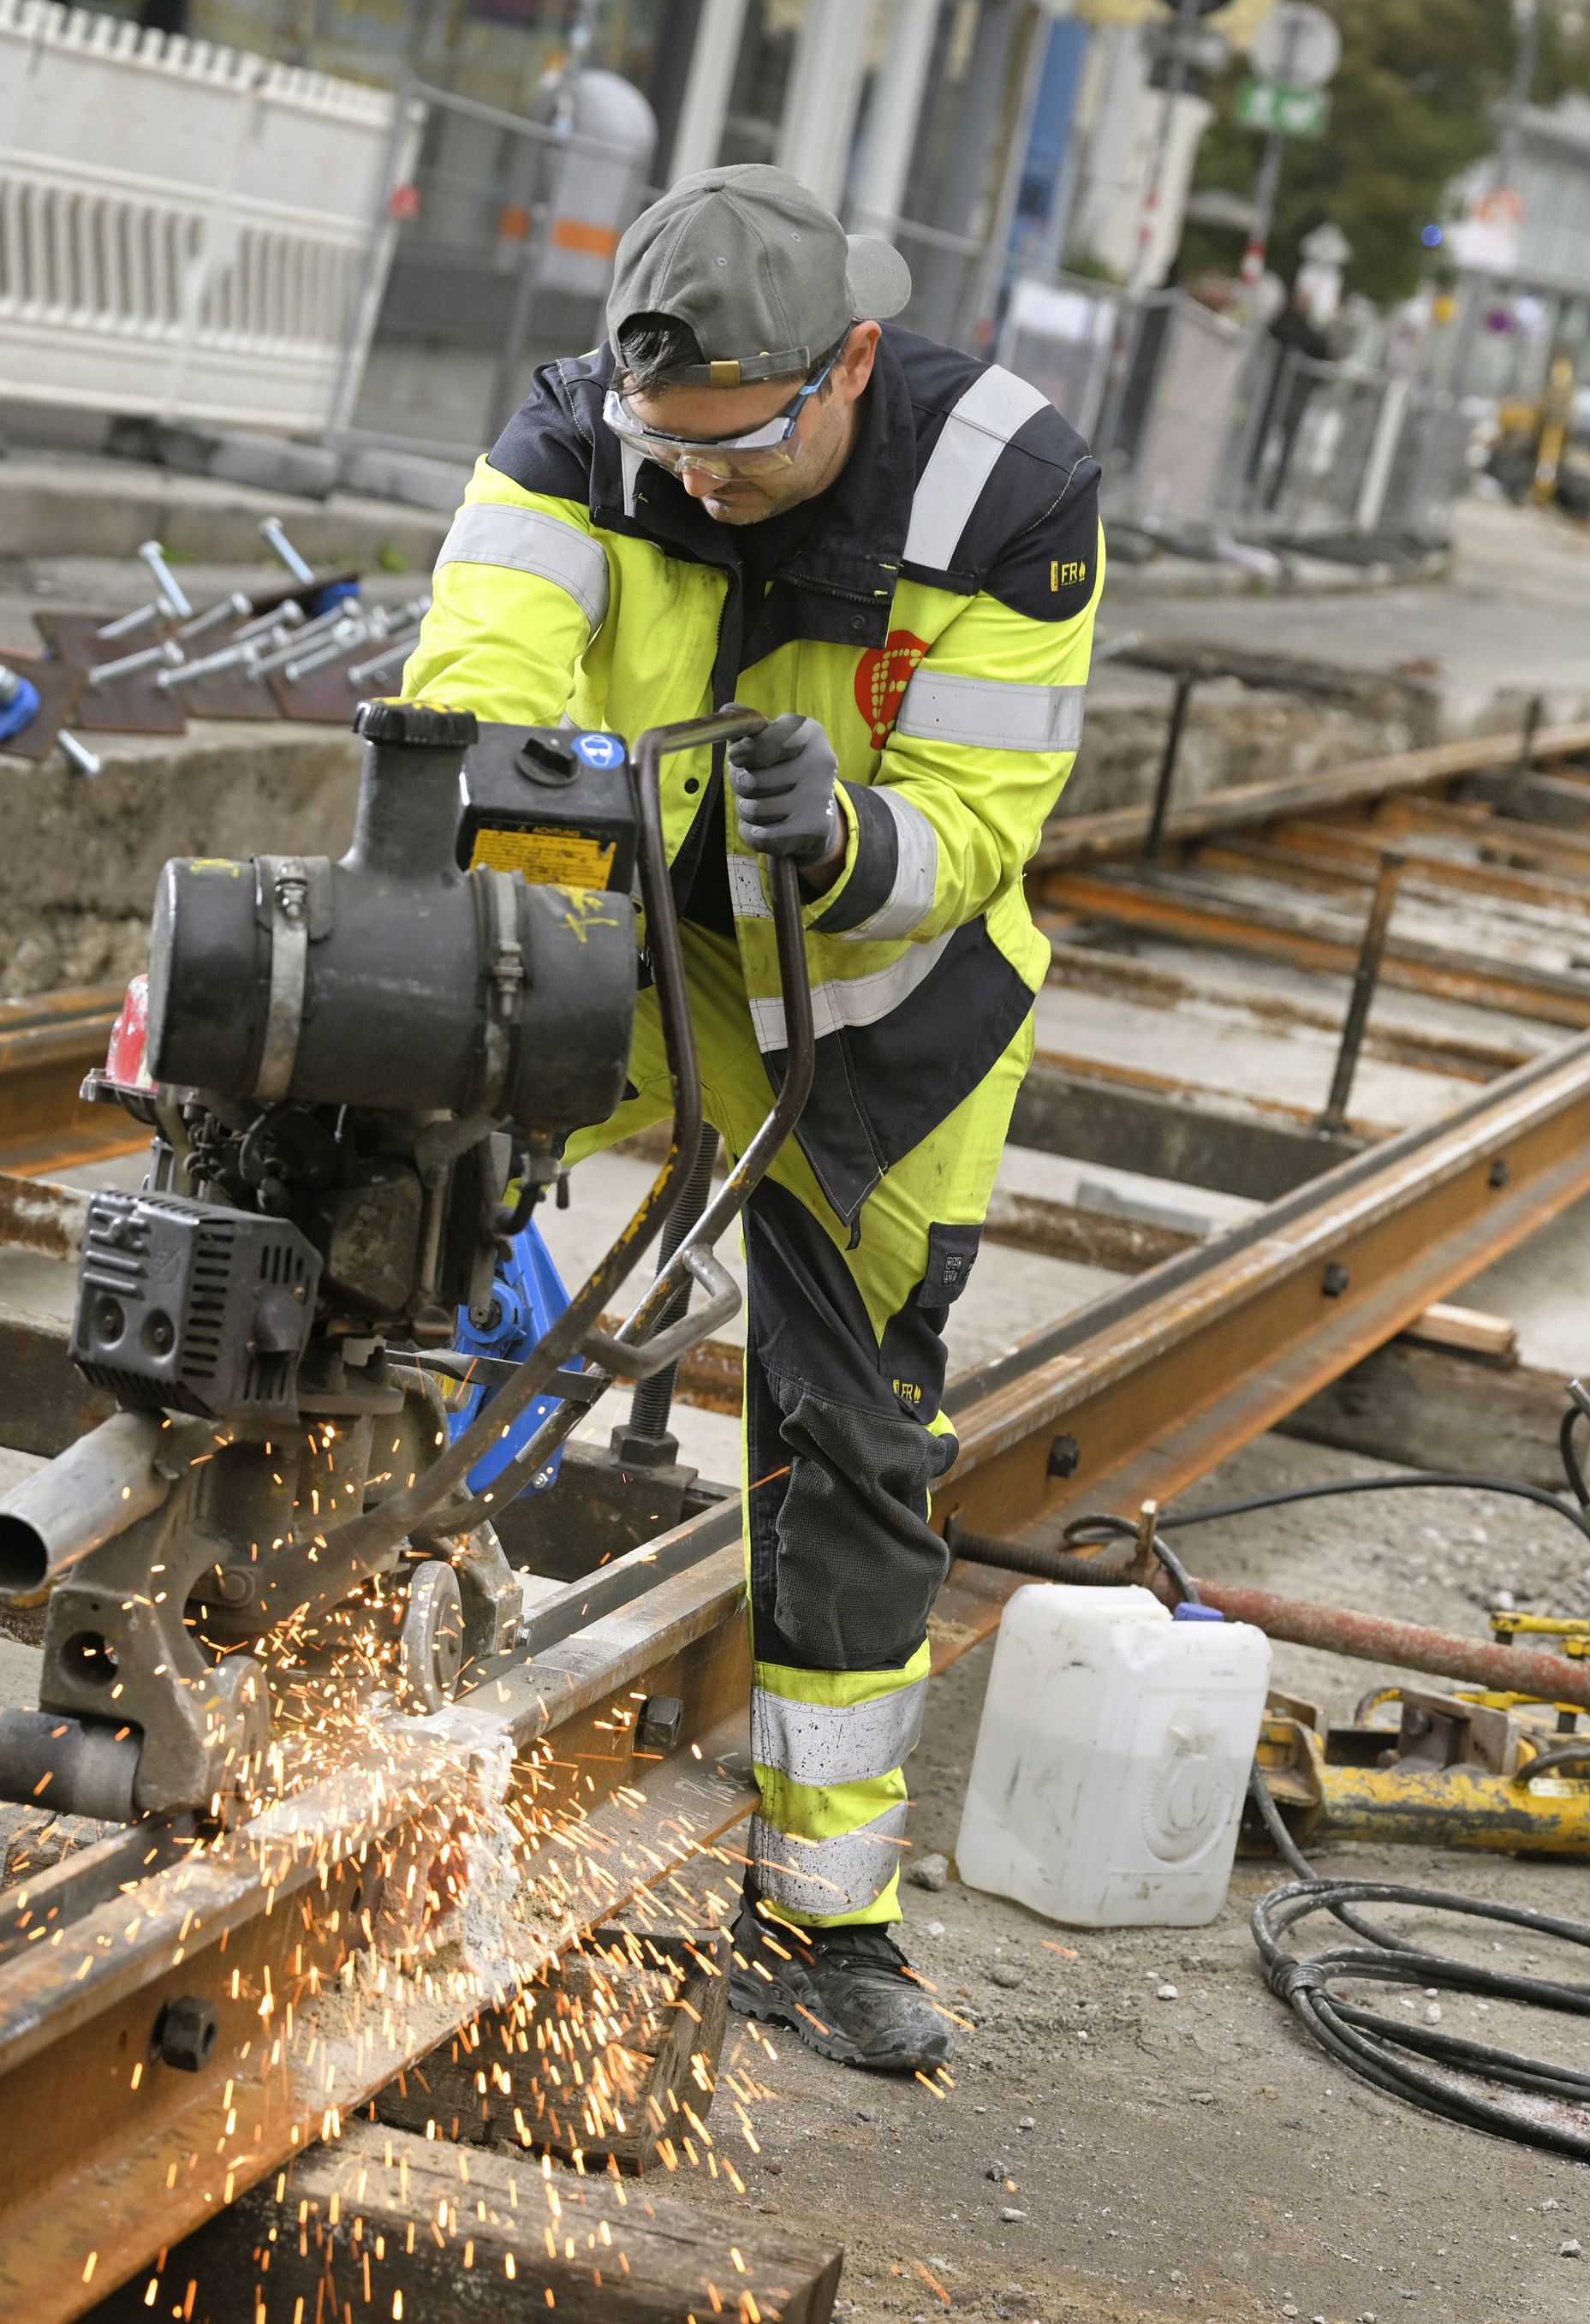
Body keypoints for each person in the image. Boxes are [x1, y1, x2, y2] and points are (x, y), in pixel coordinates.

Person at [395, 164, 1101, 2076]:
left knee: (852, 1445)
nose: (699, 483)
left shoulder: (1009, 495)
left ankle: (822, 1920)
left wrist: (851, 835)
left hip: (872, 1010)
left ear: (849, 365)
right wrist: (485, 1060)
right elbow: (473, 706)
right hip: (619, 938)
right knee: (361, 1201)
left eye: (742, 448)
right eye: (671, 451)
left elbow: (976, 827)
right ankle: (311, 1675)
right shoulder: (573, 441)